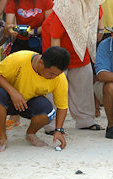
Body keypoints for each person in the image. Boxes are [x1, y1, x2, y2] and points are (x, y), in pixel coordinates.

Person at [41, 0, 103, 133]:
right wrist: (56, 64)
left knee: (83, 83)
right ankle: (50, 123)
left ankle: (85, 120)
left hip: (80, 49)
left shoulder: (93, 4)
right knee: (54, 85)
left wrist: (99, 32)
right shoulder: (64, 7)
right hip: (57, 49)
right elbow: (55, 37)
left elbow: (99, 25)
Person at [0, 46, 70, 152]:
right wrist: (13, 92)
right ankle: (2, 137)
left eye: (58, 74)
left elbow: (62, 107)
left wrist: (58, 130)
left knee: (48, 112)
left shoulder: (59, 77)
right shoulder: (19, 58)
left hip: (27, 103)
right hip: (5, 96)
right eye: (52, 73)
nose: (54, 77)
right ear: (41, 62)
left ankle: (31, 134)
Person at [3, 0, 53, 130]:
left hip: (40, 39)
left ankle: (39, 105)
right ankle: (14, 113)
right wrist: (10, 29)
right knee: (13, 75)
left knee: (41, 72)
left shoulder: (45, 1)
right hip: (20, 40)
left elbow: (49, 22)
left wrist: (34, 32)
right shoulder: (13, 1)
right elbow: (9, 24)